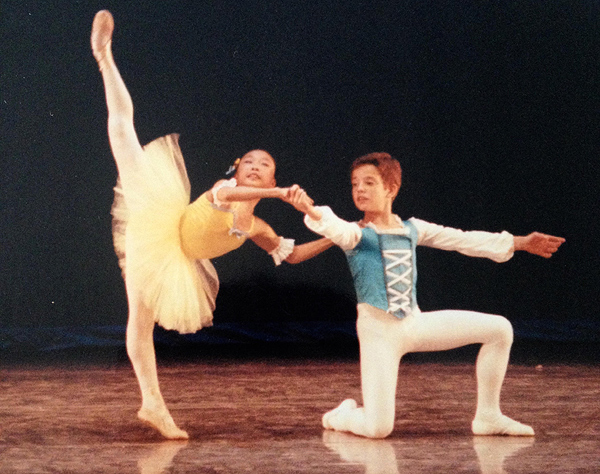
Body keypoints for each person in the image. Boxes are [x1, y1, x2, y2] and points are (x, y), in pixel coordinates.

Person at [91, 10, 333, 439]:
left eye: (265, 166)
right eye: (250, 163)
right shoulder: (224, 189)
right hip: (157, 217)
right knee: (124, 136)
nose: (255, 168)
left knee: (142, 323)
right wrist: (283, 196)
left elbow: (291, 254)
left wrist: (334, 236)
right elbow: (226, 196)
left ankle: (153, 406)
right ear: (238, 172)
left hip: (173, 257)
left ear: (272, 177)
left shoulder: (257, 226)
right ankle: (105, 57)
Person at [287, 152, 565, 438]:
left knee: (500, 329)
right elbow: (333, 225)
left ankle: (488, 416)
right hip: (379, 334)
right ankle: (343, 415)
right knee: (378, 429)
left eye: (368, 182)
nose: (359, 189)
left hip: (414, 324)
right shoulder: (355, 234)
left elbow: (463, 239)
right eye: (355, 183)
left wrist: (521, 243)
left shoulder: (413, 229)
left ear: (391, 188)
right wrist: (309, 208)